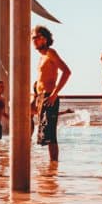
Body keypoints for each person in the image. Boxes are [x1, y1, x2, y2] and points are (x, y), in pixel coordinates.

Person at [32, 25, 71, 162]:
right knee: (44, 135)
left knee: (51, 136)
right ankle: (50, 170)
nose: (33, 41)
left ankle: (53, 167)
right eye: (33, 38)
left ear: (44, 39)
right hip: (41, 97)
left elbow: (66, 72)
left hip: (49, 97)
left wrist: (54, 94)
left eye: (36, 37)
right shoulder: (42, 57)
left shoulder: (51, 53)